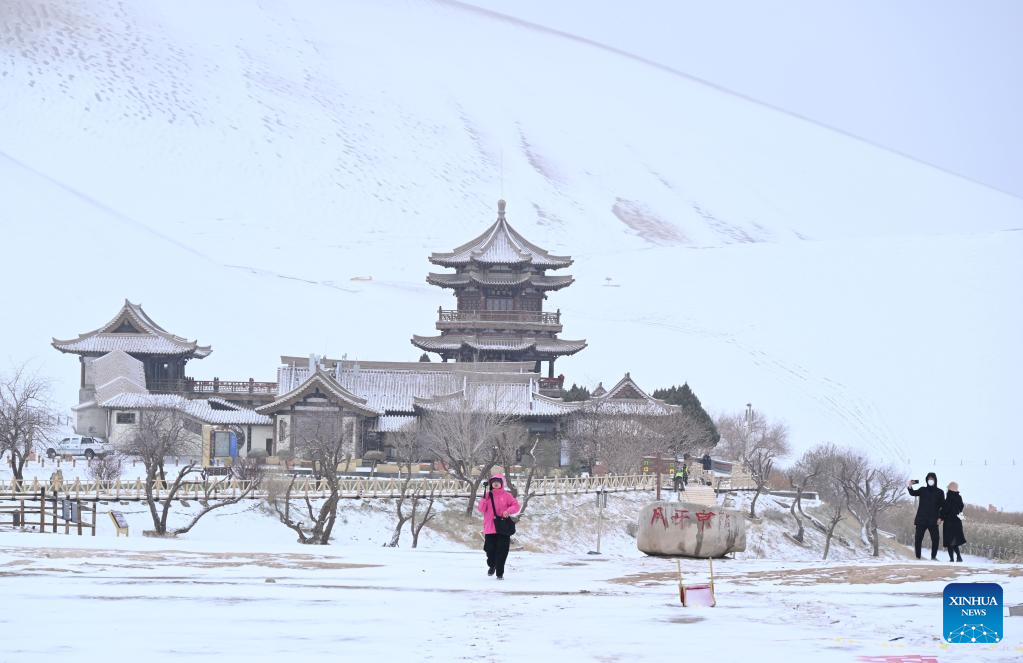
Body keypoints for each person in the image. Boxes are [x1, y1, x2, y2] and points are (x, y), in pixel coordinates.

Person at [477, 474, 520, 580]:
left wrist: (508, 511)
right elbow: (481, 509)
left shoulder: (507, 495)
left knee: (502, 550)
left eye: (498, 481)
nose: (496, 483)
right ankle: (492, 565)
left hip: (503, 527)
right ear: (491, 483)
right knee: (489, 549)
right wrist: (484, 497)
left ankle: (500, 573)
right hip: (490, 527)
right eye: (493, 481)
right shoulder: (487, 495)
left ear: (502, 483)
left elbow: (516, 506)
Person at [907, 472, 945, 560]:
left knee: (936, 539)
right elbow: (912, 493)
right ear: (926, 480)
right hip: (921, 519)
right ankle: (918, 557)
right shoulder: (922, 489)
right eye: (929, 479)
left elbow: (943, 506)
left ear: (935, 480)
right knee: (918, 539)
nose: (930, 481)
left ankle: (933, 557)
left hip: (933, 520)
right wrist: (910, 485)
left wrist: (941, 517)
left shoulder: (940, 492)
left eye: (932, 479)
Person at [940, 481, 966, 562]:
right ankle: (958, 557)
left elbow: (945, 509)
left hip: (949, 522)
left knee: (949, 542)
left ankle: (952, 559)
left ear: (950, 489)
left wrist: (941, 517)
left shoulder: (949, 497)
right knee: (954, 541)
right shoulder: (959, 497)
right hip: (957, 522)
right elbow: (961, 507)